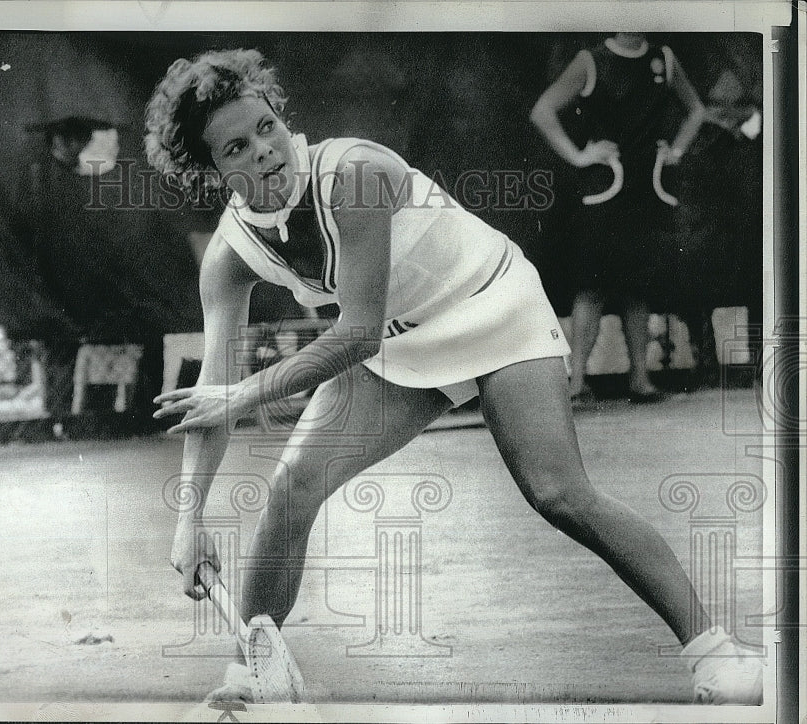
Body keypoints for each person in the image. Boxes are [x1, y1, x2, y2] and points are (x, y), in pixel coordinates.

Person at [144, 48, 760, 704]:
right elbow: (210, 395)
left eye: (266, 127)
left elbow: (354, 332)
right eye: (236, 147)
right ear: (210, 172)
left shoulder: (352, 174)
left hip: (491, 304)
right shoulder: (228, 257)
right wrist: (189, 520)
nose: (264, 151)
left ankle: (717, 657)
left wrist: (246, 392)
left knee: (558, 493)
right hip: (398, 342)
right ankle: (247, 687)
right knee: (292, 488)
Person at [531, 32, 706, 403]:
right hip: (604, 186)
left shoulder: (664, 58)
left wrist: (676, 149)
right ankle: (575, 384)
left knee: (637, 287)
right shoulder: (590, 60)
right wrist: (579, 155)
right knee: (592, 287)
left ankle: (640, 381)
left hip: (647, 185)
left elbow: (697, 110)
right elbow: (542, 111)